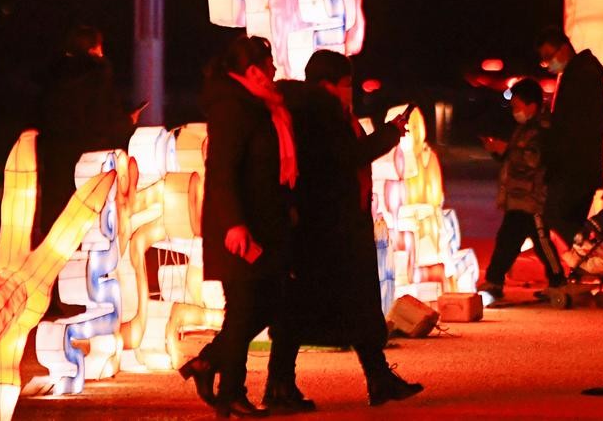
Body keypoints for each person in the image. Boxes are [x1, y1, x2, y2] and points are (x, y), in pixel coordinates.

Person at [265, 51, 424, 412]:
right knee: (308, 308)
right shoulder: (320, 114)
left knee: (354, 307)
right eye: (346, 84)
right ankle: (279, 384)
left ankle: (378, 378)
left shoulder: (320, 112)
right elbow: (349, 156)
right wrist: (389, 134)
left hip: (336, 224)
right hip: (328, 228)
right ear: (327, 85)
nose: (349, 92)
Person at [180, 36, 296, 418]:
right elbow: (221, 172)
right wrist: (233, 224)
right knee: (246, 308)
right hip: (239, 228)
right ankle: (230, 394)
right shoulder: (233, 106)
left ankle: (210, 364)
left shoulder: (261, 105)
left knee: (267, 305)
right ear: (252, 71)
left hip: (264, 223)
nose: (275, 71)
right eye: (269, 65)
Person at [35, 25, 136, 242]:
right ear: (93, 49)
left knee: (57, 222)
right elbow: (105, 120)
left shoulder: (53, 76)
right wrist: (128, 121)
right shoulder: (99, 76)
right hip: (89, 159)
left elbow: (40, 116)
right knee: (90, 228)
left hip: (57, 157)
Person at [478, 78, 565, 297]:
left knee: (541, 242)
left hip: (532, 198)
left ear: (531, 106)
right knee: (507, 239)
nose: (514, 110)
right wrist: (499, 151)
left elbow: (533, 160)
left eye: (517, 105)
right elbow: (515, 160)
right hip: (518, 197)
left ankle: (558, 282)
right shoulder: (524, 128)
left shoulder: (542, 130)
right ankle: (494, 281)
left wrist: (507, 149)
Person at [537, 26, 603, 242]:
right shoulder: (579, 74)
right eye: (544, 60)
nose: (548, 64)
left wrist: (552, 132)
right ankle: (584, 265)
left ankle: (589, 250)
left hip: (574, 166)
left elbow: (574, 125)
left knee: (554, 215)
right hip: (582, 165)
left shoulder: (580, 76)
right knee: (570, 220)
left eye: (550, 57)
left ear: (564, 48)